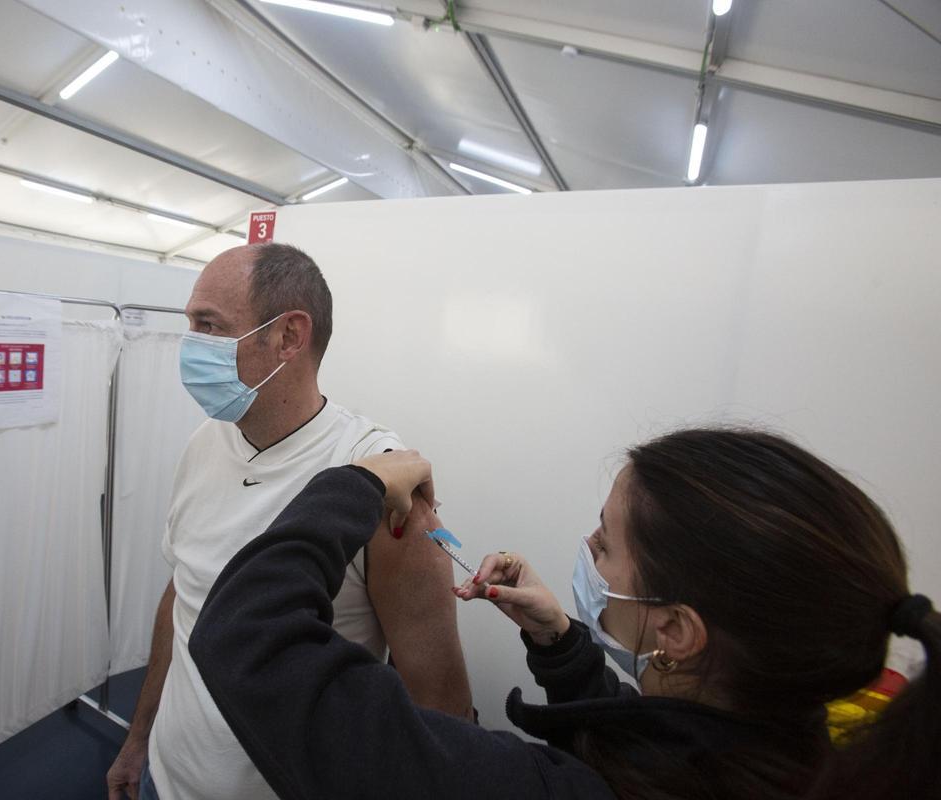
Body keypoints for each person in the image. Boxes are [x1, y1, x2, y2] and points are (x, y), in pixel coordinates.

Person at [189, 429, 940, 800]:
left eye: (605, 545)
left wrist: (354, 482)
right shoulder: (800, 758)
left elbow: (247, 639)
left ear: (677, 632)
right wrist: (561, 644)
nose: (587, 550)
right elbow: (662, 745)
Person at [107, 244, 472, 800]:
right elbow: (184, 596)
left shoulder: (380, 483)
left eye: (209, 326)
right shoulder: (204, 443)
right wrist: (139, 737)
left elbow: (440, 705)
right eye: (190, 325)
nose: (190, 344)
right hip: (168, 776)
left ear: (289, 337)